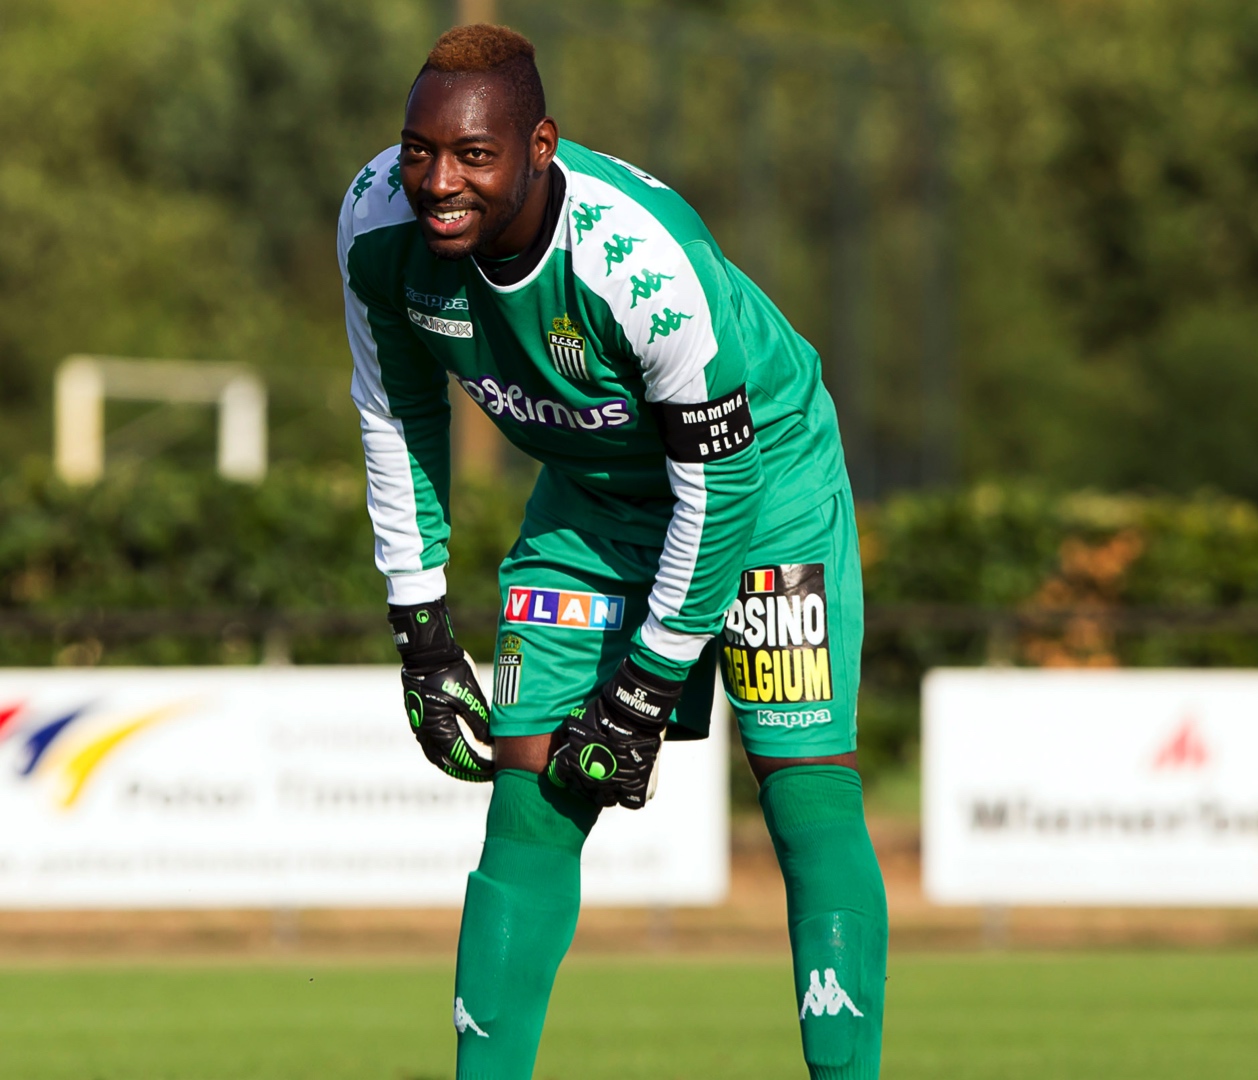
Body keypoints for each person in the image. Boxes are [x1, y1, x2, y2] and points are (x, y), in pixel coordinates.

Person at [338, 23, 886, 1080]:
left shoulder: (641, 262)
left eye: (473, 156)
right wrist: (420, 631)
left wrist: (645, 686)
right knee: (531, 793)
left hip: (763, 485)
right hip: (592, 503)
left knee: (803, 785)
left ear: (540, 146)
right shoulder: (373, 222)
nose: (437, 183)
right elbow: (394, 415)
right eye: (419, 151)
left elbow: (718, 486)